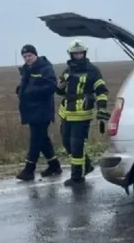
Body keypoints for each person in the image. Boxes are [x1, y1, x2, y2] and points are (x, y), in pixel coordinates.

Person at [56, 39, 111, 187]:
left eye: (80, 53)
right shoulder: (67, 70)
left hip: (82, 114)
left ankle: (77, 178)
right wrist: (59, 88)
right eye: (75, 53)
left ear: (84, 53)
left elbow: (102, 91)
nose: (78, 55)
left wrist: (102, 109)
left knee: (77, 146)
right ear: (71, 55)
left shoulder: (92, 70)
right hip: (66, 113)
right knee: (67, 144)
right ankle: (86, 166)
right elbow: (61, 91)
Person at [15, 44, 61, 181]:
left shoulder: (45, 68)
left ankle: (29, 170)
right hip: (30, 109)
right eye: (24, 56)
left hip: (42, 110)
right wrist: (20, 90)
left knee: (35, 140)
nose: (27, 58)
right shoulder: (26, 70)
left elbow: (51, 86)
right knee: (42, 139)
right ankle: (54, 165)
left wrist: (30, 92)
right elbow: (26, 84)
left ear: (35, 55)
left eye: (29, 55)